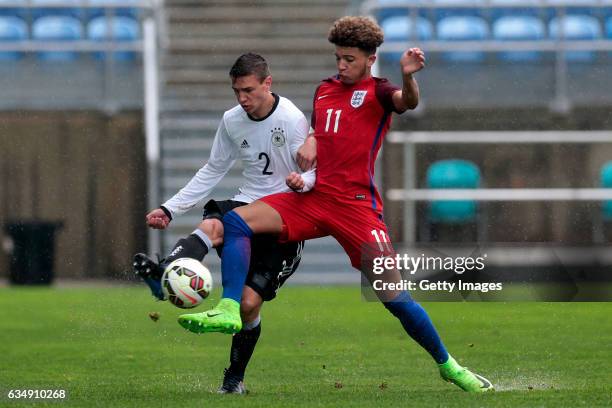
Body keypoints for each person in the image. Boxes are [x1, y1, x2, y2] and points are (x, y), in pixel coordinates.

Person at [177, 17, 494, 393]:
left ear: (370, 59)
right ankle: (230, 307)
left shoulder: (378, 91)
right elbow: (320, 129)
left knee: (394, 297)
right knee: (236, 222)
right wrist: (311, 140)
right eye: (338, 58)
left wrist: (409, 76)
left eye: (349, 59)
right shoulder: (325, 90)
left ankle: (449, 366)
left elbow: (406, 102)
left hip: (356, 207)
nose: (341, 66)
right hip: (315, 197)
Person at [133, 53, 315, 394]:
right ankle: (165, 272)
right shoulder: (232, 120)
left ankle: (234, 379)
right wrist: (170, 208)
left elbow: (315, 171)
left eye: (248, 90)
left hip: (285, 217)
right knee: (218, 223)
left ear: (267, 83)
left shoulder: (291, 119)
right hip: (249, 203)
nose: (242, 99)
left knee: (248, 306)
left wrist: (302, 182)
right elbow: (213, 169)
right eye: (236, 91)